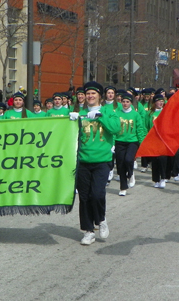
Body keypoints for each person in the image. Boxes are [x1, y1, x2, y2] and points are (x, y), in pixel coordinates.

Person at [69, 81, 120, 245]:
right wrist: (69, 122)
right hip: (83, 161)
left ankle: (101, 219)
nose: (90, 96)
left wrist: (101, 116)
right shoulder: (81, 113)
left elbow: (115, 129)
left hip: (102, 161)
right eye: (88, 94)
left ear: (100, 96)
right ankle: (89, 231)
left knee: (96, 194)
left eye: (93, 94)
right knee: (84, 197)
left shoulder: (109, 112)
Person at [114, 93, 146, 196]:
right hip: (119, 141)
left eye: (127, 102)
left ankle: (131, 173)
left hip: (132, 141)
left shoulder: (135, 115)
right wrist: (113, 143)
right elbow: (113, 129)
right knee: (120, 164)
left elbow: (140, 129)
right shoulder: (117, 114)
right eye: (123, 102)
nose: (125, 104)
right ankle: (123, 187)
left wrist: (142, 143)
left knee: (128, 159)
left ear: (131, 103)